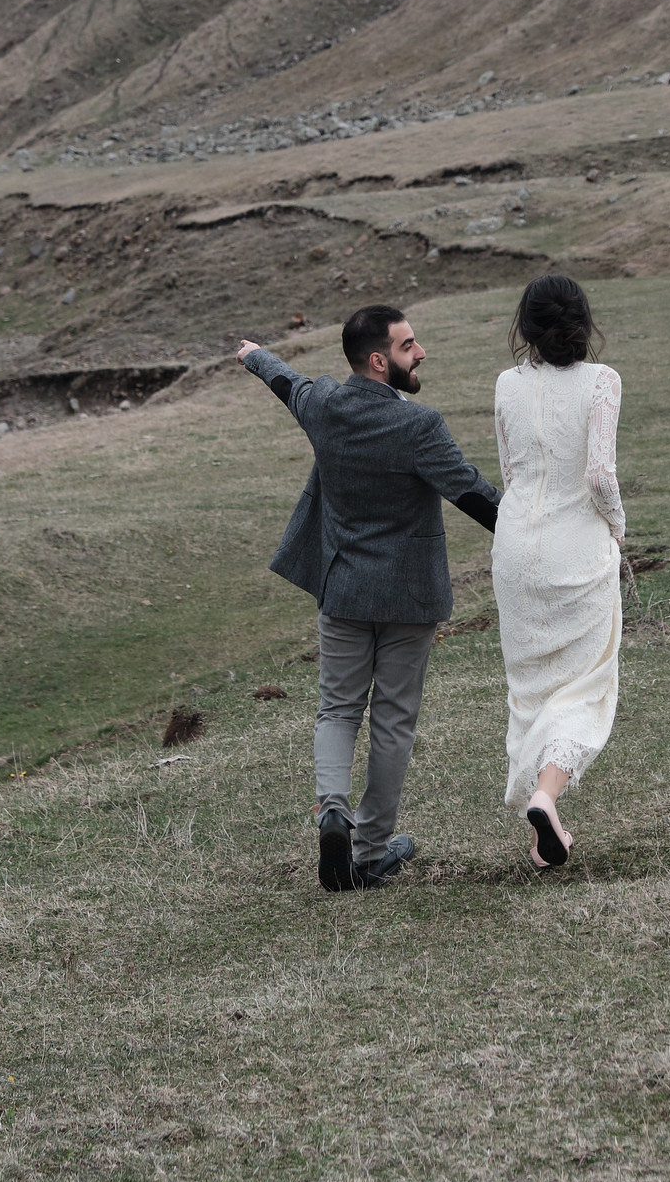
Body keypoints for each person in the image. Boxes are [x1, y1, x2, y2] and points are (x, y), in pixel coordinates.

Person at [237, 307, 501, 892]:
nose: (422, 353)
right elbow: (475, 497)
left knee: (337, 709)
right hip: (409, 599)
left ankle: (333, 808)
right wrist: (538, 541)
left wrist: (254, 356)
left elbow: (287, 384)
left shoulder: (326, 407)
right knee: (393, 721)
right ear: (380, 361)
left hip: (345, 590)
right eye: (410, 346)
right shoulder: (420, 427)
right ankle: (372, 849)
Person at [490, 275, 624, 870]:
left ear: (525, 326)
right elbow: (599, 476)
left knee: (533, 686)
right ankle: (545, 795)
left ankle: (546, 830)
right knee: (585, 684)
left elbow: (511, 474)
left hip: (515, 546)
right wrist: (618, 527)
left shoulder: (506, 385)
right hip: (578, 549)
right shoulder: (602, 382)